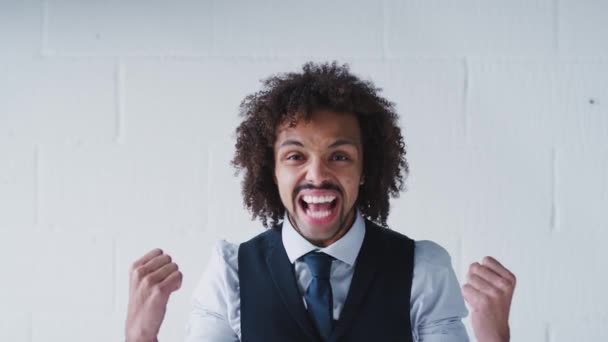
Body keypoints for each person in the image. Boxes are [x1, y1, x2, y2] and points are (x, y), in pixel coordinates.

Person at [124, 62, 516, 342]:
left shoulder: (422, 269)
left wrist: (494, 338)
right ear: (270, 171)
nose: (317, 174)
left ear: (366, 168)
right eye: (295, 156)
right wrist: (140, 335)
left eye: (339, 156)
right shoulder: (231, 273)